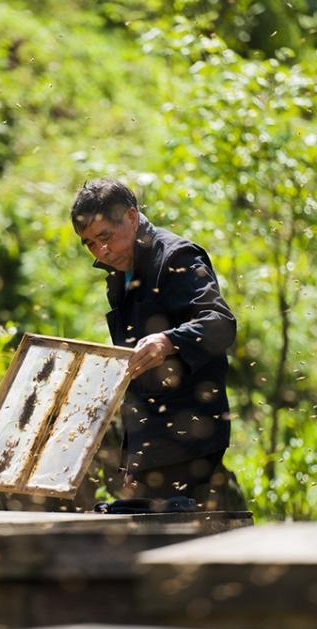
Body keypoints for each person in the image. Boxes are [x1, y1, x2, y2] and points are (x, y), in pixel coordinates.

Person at [71, 177, 245, 510]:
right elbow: (137, 371)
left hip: (191, 436)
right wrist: (132, 457)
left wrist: (169, 340)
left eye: (105, 236)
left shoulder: (177, 256)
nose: (101, 251)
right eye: (90, 243)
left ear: (132, 217)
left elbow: (220, 323)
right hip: (150, 442)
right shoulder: (119, 271)